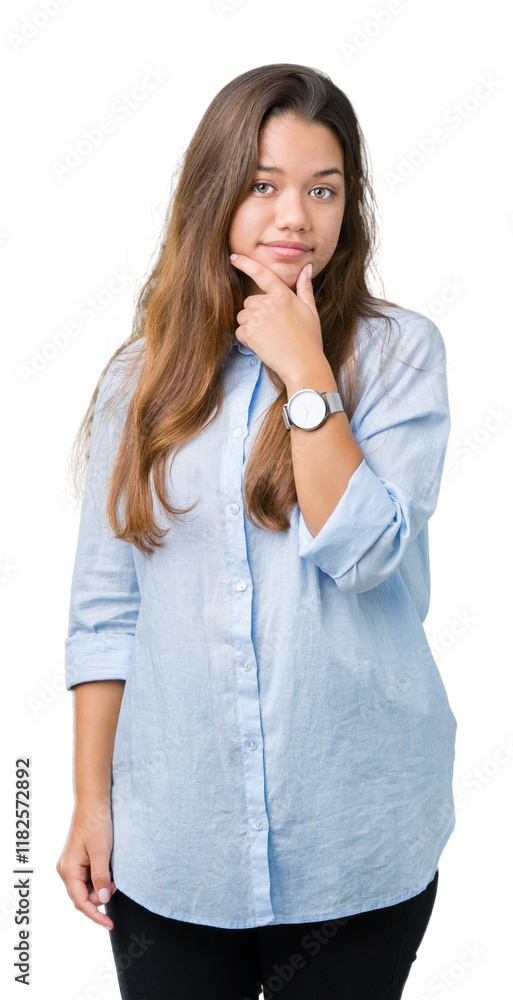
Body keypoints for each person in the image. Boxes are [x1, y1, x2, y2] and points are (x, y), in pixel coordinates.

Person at [56, 63, 457, 1000]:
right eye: (264, 184)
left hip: (357, 835)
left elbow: (363, 556)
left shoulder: (398, 354)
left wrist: (306, 374)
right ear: (216, 191)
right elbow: (105, 607)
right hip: (175, 840)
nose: (295, 216)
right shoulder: (140, 379)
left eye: (323, 189)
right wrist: (86, 803)